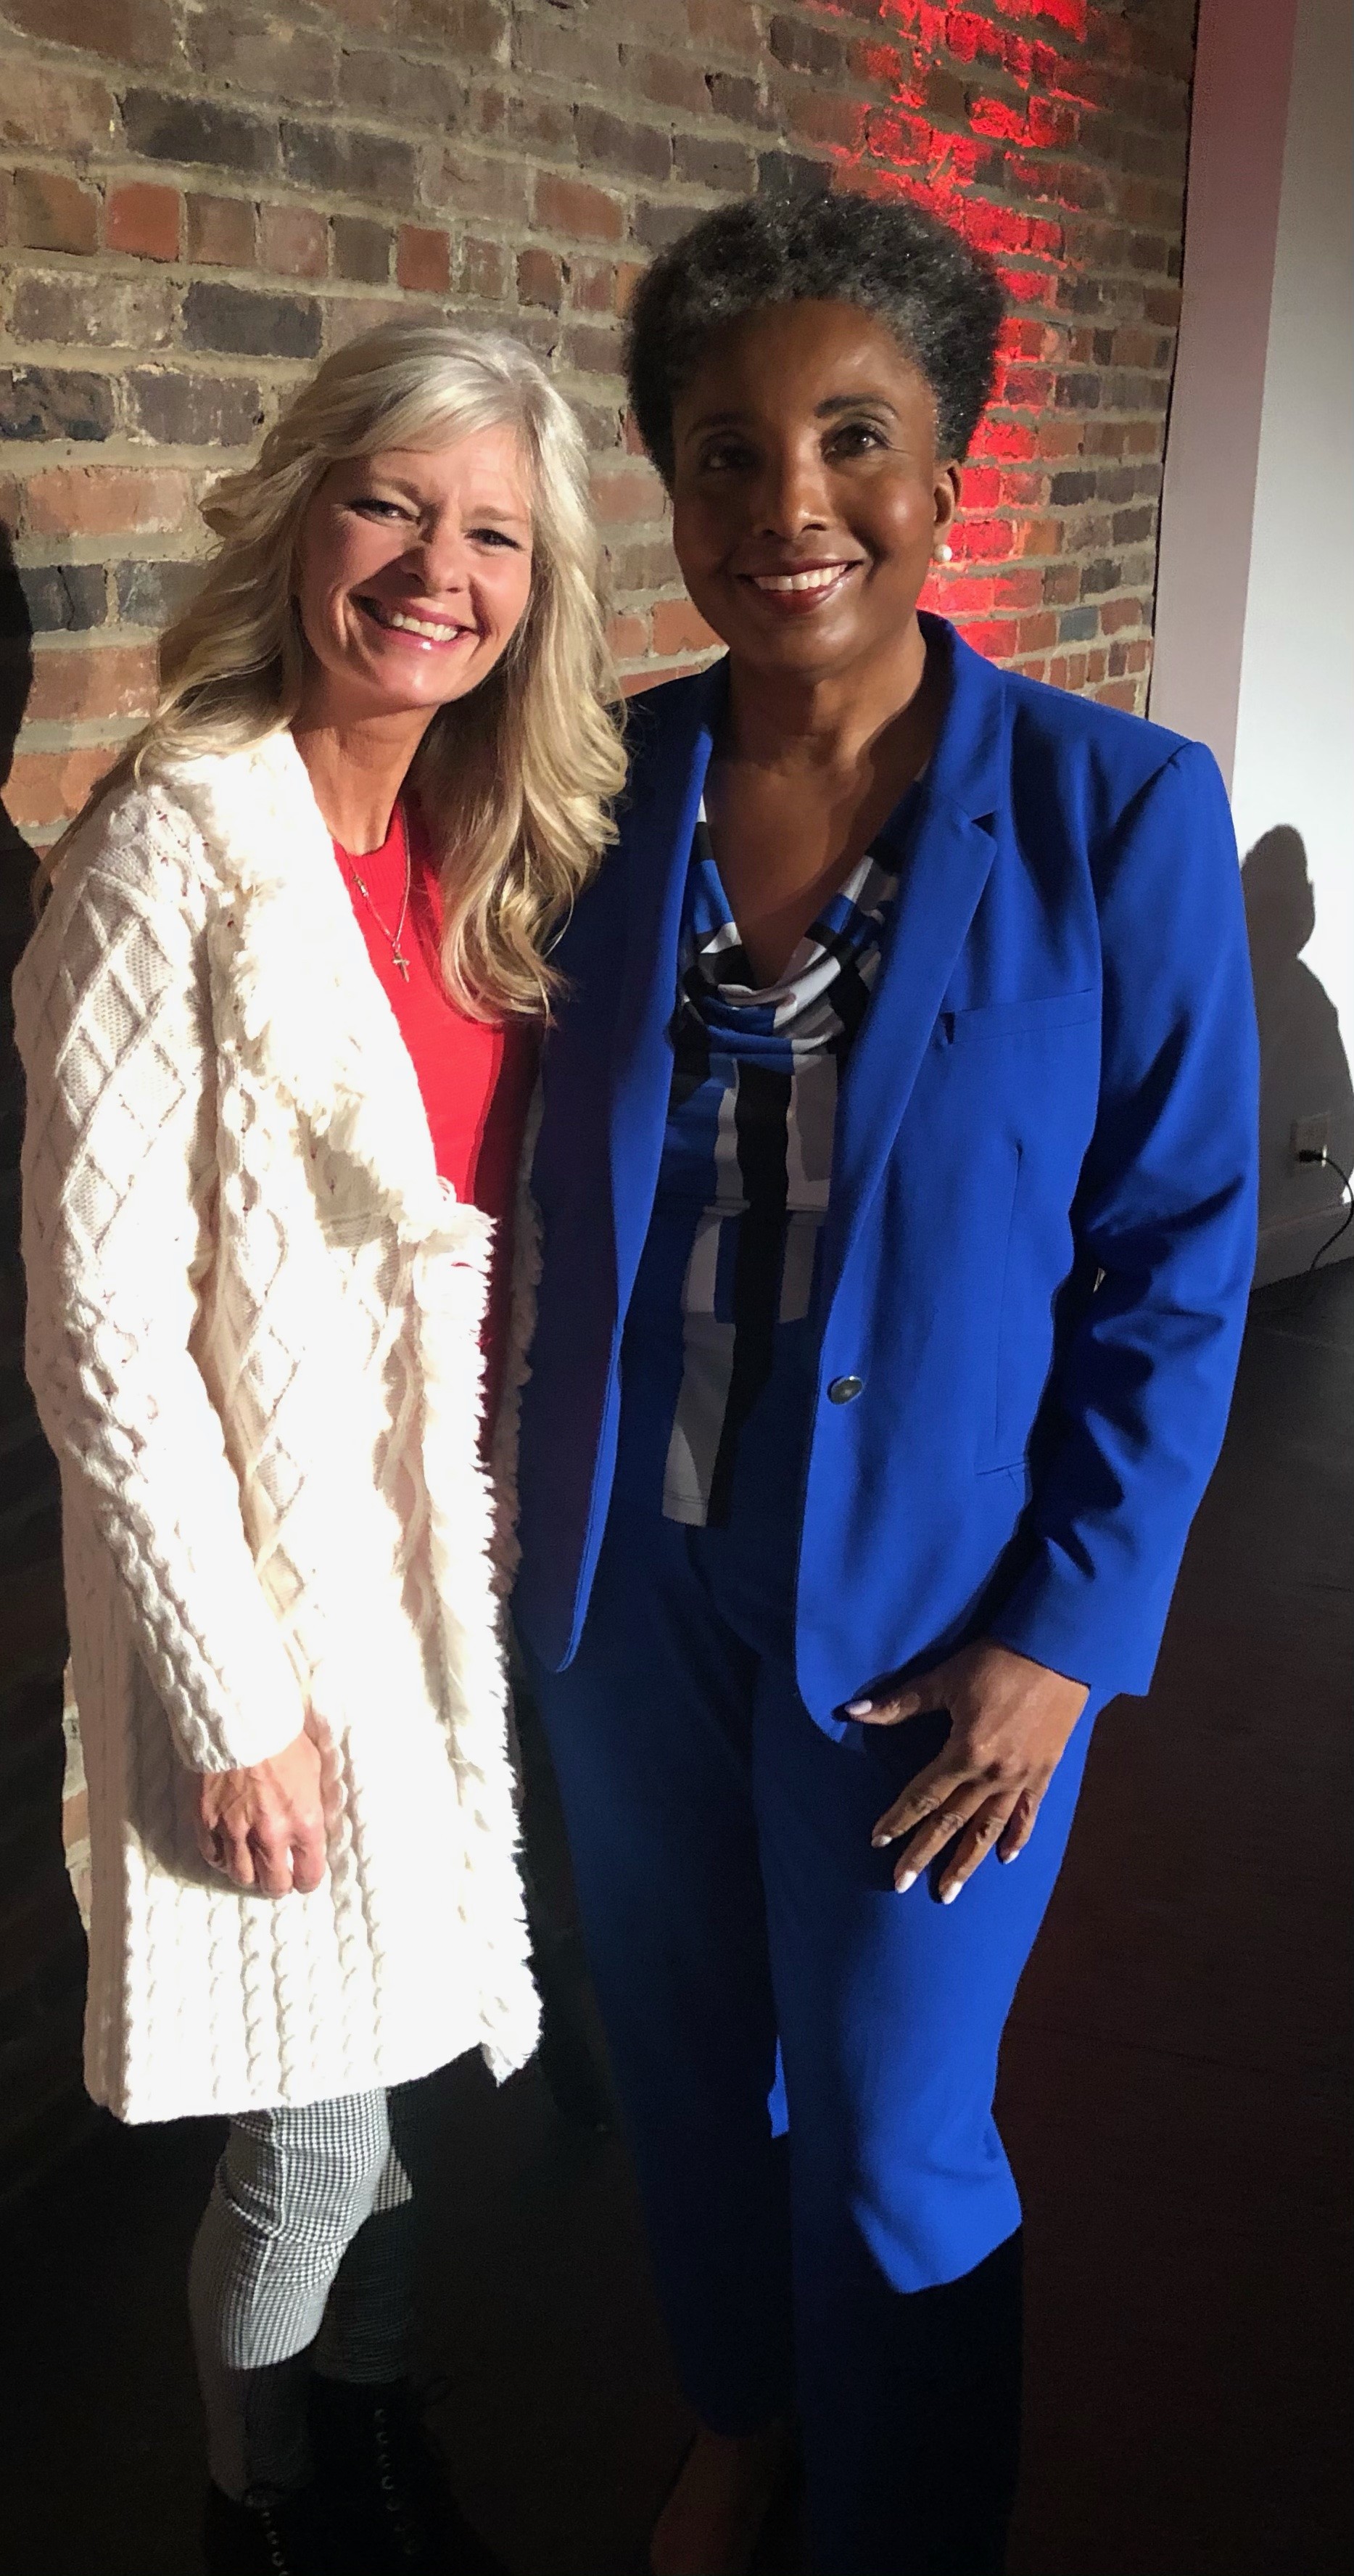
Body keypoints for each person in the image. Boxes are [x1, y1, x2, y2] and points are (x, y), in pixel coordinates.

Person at [513, 188, 1259, 2576]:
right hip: (626, 1586)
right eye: (724, 452)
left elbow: (1174, 1260)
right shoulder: (591, 793)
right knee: (681, 2069)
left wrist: (1066, 1638)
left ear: (946, 469)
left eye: (851, 438)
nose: (788, 504)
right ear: (669, 485)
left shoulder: (1111, 809)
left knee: (887, 2118)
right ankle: (742, 2422)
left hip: (937, 1606)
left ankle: (906, 2523)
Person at [15, 317, 623, 2576]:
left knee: (401, 2097)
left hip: (440, 1592)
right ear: (300, 517)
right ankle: (255, 2500)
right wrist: (234, 1700)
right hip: (268, 1618)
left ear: (537, 586)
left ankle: (366, 2436)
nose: (436, 569)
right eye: (391, 503)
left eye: (492, 533)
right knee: (311, 2136)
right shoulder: (170, 848)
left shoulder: (484, 849)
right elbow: (98, 1334)